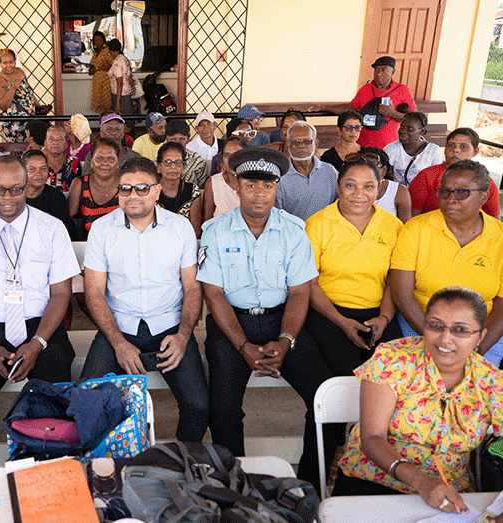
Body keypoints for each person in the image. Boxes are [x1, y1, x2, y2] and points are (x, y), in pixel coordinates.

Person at [197, 148, 336, 494]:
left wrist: (286, 340)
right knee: (223, 410)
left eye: (267, 186)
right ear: (236, 185)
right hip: (233, 326)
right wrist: (243, 346)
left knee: (326, 400)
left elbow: (300, 292)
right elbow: (213, 294)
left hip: (282, 322)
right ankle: (238, 486)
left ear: (277, 188)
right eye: (251, 185)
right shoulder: (216, 231)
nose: (260, 193)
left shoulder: (293, 230)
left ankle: (310, 483)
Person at [335, 287, 503, 515]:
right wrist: (421, 481)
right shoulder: (393, 359)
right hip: (372, 485)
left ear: (480, 336)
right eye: (435, 325)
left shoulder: (493, 383)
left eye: (460, 330)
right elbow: (372, 438)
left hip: (449, 502)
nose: (445, 338)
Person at [0, 155, 79, 466]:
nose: (6, 198)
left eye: (15, 190)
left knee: (54, 412)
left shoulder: (52, 228)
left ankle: (49, 477)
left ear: (28, 187)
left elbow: (62, 293)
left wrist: (37, 344)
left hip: (42, 329)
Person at [81, 157, 209, 442]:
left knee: (199, 406)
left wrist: (183, 336)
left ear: (157, 190)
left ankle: (177, 464)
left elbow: (192, 288)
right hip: (119, 327)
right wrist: (117, 342)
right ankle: (106, 469)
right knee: (87, 403)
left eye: (142, 188)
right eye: (125, 189)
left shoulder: (180, 228)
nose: (133, 196)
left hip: (170, 327)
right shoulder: (102, 230)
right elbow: (94, 292)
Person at [390, 159, 503, 367]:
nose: (451, 199)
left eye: (462, 192)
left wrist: (474, 347)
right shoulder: (416, 229)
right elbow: (402, 295)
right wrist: (438, 340)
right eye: (445, 192)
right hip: (419, 326)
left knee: (473, 394)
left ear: (484, 196)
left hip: (481, 334)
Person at [304, 156, 404, 376]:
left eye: (368, 186)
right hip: (329, 312)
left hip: (378, 312)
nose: (359, 194)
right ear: (338, 187)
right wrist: (341, 322)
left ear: (378, 189)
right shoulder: (318, 224)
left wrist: (385, 318)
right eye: (350, 185)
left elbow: (393, 282)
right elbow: (309, 284)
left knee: (389, 374)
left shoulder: (393, 225)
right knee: (345, 375)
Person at [322, 56, 416, 149]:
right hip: (362, 146)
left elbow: (415, 119)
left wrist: (393, 114)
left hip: (389, 148)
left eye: (383, 69)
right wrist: (324, 108)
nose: (378, 73)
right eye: (376, 69)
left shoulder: (402, 90)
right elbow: (351, 107)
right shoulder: (366, 89)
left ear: (393, 71)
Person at [409, 127, 500, 217]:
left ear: (475, 152)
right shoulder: (427, 176)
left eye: (463, 147)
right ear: (445, 149)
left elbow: (494, 222)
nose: (455, 150)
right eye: (451, 145)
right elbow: (411, 217)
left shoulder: (486, 182)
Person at [276, 121, 338, 221]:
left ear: (316, 143)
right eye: (295, 142)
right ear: (287, 144)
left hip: (326, 234)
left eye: (307, 141)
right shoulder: (279, 176)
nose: (301, 146)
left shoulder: (330, 172)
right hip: (294, 234)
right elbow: (277, 215)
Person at [69, 137, 121, 240]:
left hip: (120, 246)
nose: (105, 163)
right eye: (99, 158)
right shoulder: (79, 184)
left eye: (111, 159)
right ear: (91, 162)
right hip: (86, 247)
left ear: (117, 163)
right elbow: (72, 224)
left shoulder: (126, 185)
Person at [23, 149, 75, 239]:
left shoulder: (56, 196)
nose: (38, 174)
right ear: (22, 171)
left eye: (43, 169)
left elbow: (62, 230)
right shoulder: (15, 196)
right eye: (32, 169)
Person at [0, 48, 40, 143]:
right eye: (5, 63)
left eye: (11, 62)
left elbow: (29, 92)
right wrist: (13, 88)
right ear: (0, 63)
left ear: (15, 61)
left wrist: (39, 107)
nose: (8, 66)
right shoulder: (0, 80)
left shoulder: (20, 72)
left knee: (32, 146)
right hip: (14, 123)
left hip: (30, 119)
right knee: (17, 149)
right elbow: (2, 105)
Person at [354, 147, 413, 223]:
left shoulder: (399, 191)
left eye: (373, 168)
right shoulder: (352, 189)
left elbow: (406, 226)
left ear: (383, 170)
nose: (367, 172)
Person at [156, 141, 202, 237]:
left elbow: (196, 231)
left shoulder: (192, 190)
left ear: (183, 167)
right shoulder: (150, 191)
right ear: (158, 166)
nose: (173, 167)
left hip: (184, 242)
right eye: (168, 162)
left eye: (178, 162)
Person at [384, 111, 442, 186]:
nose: (403, 131)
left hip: (422, 195)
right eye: (402, 127)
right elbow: (388, 180)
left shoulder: (433, 151)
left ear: (421, 131)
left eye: (410, 129)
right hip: (398, 194)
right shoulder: (391, 149)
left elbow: (435, 180)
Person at [202, 136, 246, 222]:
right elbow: (207, 222)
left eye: (237, 155)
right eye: (227, 155)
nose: (232, 160)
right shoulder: (213, 183)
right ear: (222, 158)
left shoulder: (257, 182)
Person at [165, 119, 211, 187]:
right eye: (173, 139)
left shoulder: (197, 160)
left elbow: (203, 186)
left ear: (188, 140)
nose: (178, 142)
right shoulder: (161, 160)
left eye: (182, 139)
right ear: (166, 140)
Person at [43, 125, 81, 192]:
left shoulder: (74, 163)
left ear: (66, 144)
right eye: (51, 139)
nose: (55, 142)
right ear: (45, 143)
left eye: (60, 139)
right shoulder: (39, 162)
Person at [89, 31, 114, 114]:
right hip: (97, 81)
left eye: (99, 40)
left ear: (103, 40)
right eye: (96, 40)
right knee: (99, 103)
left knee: (106, 102)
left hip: (105, 81)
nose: (98, 42)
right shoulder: (96, 52)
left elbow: (111, 66)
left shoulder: (106, 51)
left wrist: (96, 68)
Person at [107, 39, 133, 116]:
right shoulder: (124, 59)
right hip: (127, 93)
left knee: (121, 120)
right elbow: (130, 79)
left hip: (119, 95)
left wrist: (117, 103)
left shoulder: (117, 62)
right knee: (127, 118)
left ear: (111, 51)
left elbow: (119, 83)